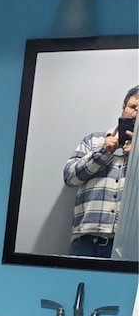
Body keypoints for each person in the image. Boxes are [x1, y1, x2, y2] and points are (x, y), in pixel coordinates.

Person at [64, 85, 138, 258]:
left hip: (132, 246)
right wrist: (104, 151)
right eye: (133, 107)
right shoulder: (94, 140)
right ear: (123, 108)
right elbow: (70, 178)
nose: (136, 114)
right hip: (86, 242)